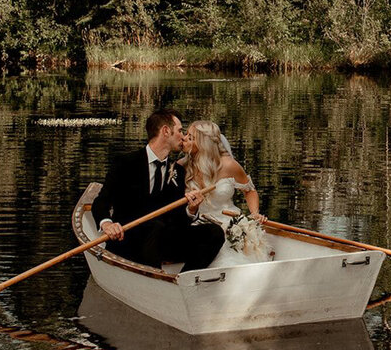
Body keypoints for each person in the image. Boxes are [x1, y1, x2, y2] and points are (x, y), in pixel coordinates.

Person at [91, 108, 225, 271]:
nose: (183, 137)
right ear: (166, 131)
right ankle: (151, 277)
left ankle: (182, 280)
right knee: (156, 228)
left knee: (214, 233)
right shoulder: (125, 163)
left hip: (163, 241)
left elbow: (177, 220)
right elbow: (101, 202)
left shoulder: (178, 171)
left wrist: (191, 210)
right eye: (180, 131)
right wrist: (107, 224)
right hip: (130, 240)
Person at [179, 120, 272, 266]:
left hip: (229, 224)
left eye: (190, 137)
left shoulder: (228, 165)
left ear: (204, 144)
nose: (183, 138)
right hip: (199, 226)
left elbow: (250, 191)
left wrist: (254, 213)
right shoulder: (182, 167)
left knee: (230, 259)